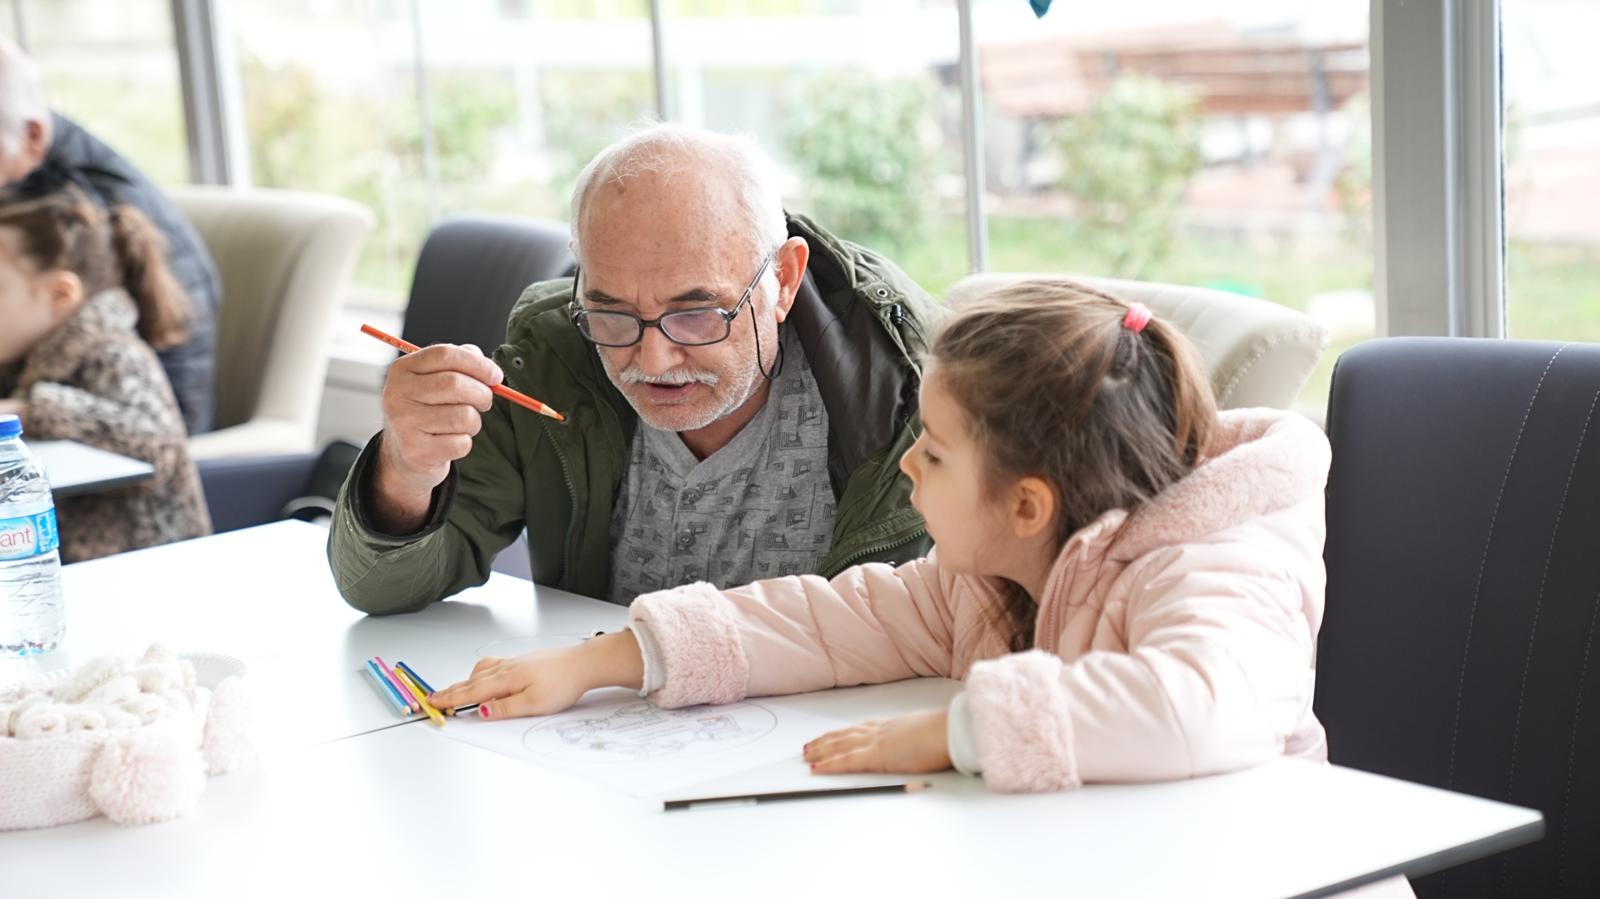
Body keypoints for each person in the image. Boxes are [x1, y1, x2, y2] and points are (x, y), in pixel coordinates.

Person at [426, 280, 1331, 793]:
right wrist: (606, 659)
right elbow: (829, 619)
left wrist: (960, 731)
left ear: (1026, 505)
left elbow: (1193, 704)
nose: (907, 470)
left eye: (932, 454)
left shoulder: (1219, 566)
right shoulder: (982, 576)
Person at [329, 124, 943, 611]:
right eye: (612, 313)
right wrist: (406, 469)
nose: (652, 362)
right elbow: (381, 589)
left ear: (782, 279)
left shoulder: (910, 393)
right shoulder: (556, 357)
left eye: (697, 313)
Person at [0, 36, 220, 434]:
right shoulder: (27, 199)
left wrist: (28, 411)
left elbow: (162, 427)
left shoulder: (80, 225)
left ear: (32, 137)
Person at [0, 170, 211, 562]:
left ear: (60, 294)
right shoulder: (22, 358)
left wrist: (31, 411)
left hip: (147, 574)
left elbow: (156, 446)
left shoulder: (114, 354)